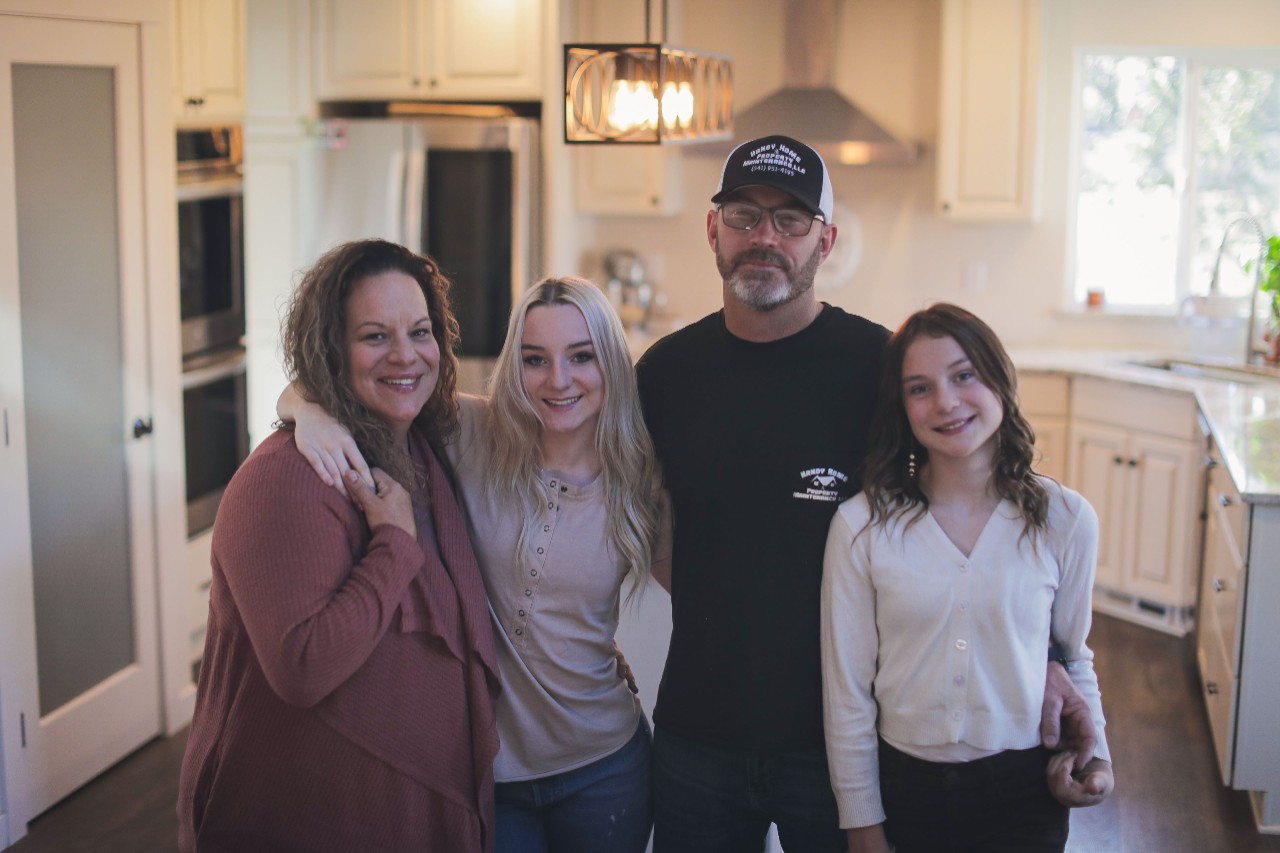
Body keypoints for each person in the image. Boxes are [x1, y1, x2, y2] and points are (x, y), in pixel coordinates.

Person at [633, 135, 1099, 852]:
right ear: (711, 228)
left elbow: (964, 512)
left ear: (826, 240)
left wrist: (1041, 652)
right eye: (745, 214)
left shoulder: (880, 367)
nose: (765, 237)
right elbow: (654, 532)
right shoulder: (664, 373)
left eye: (791, 221)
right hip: (700, 732)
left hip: (841, 738)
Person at [280, 276, 670, 853]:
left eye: (581, 356)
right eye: (535, 359)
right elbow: (350, 389)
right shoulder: (472, 432)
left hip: (605, 768)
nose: (558, 380)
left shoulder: (641, 477)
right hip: (492, 774)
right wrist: (306, 415)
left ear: (610, 360)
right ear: (515, 365)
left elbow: (698, 593)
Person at [177, 239, 501, 852]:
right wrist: (394, 546)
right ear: (331, 348)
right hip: (315, 823)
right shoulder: (286, 480)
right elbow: (303, 667)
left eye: (421, 330)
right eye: (375, 336)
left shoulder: (430, 447)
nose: (406, 355)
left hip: (417, 818)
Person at [820, 303, 1114, 853]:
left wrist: (1096, 757)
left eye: (964, 376)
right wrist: (861, 825)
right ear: (901, 407)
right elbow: (848, 694)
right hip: (903, 791)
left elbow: (1072, 657)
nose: (947, 402)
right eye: (920, 388)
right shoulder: (861, 526)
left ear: (998, 379)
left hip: (1026, 794)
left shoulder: (1065, 520)